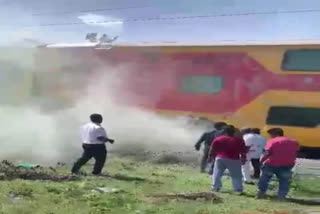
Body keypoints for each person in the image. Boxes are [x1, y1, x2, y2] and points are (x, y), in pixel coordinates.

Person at [257, 128, 299, 199]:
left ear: (275, 134)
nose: (270, 136)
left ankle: (261, 193)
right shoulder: (294, 142)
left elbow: (267, 153)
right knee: (284, 181)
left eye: (271, 135)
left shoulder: (272, 141)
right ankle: (281, 196)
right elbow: (295, 152)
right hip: (287, 164)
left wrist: (261, 161)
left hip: (272, 164)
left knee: (265, 178)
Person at [208, 125, 247, 194]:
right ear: (234, 132)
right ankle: (238, 189)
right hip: (234, 159)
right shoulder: (239, 140)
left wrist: (210, 157)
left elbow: (212, 148)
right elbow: (243, 151)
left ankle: (215, 187)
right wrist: (243, 158)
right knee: (236, 175)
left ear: (225, 132)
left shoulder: (219, 138)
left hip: (220, 158)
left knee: (217, 173)